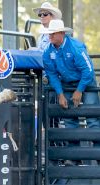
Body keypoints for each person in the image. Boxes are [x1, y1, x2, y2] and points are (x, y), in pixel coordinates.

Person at [42, 19, 100, 167]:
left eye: (53, 33)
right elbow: (52, 74)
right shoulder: (48, 52)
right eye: (49, 34)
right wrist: (60, 94)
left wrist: (79, 90)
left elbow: (88, 71)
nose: (50, 36)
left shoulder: (75, 47)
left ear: (61, 33)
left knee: (92, 117)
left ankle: (97, 154)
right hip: (67, 83)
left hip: (86, 83)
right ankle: (74, 155)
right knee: (69, 117)